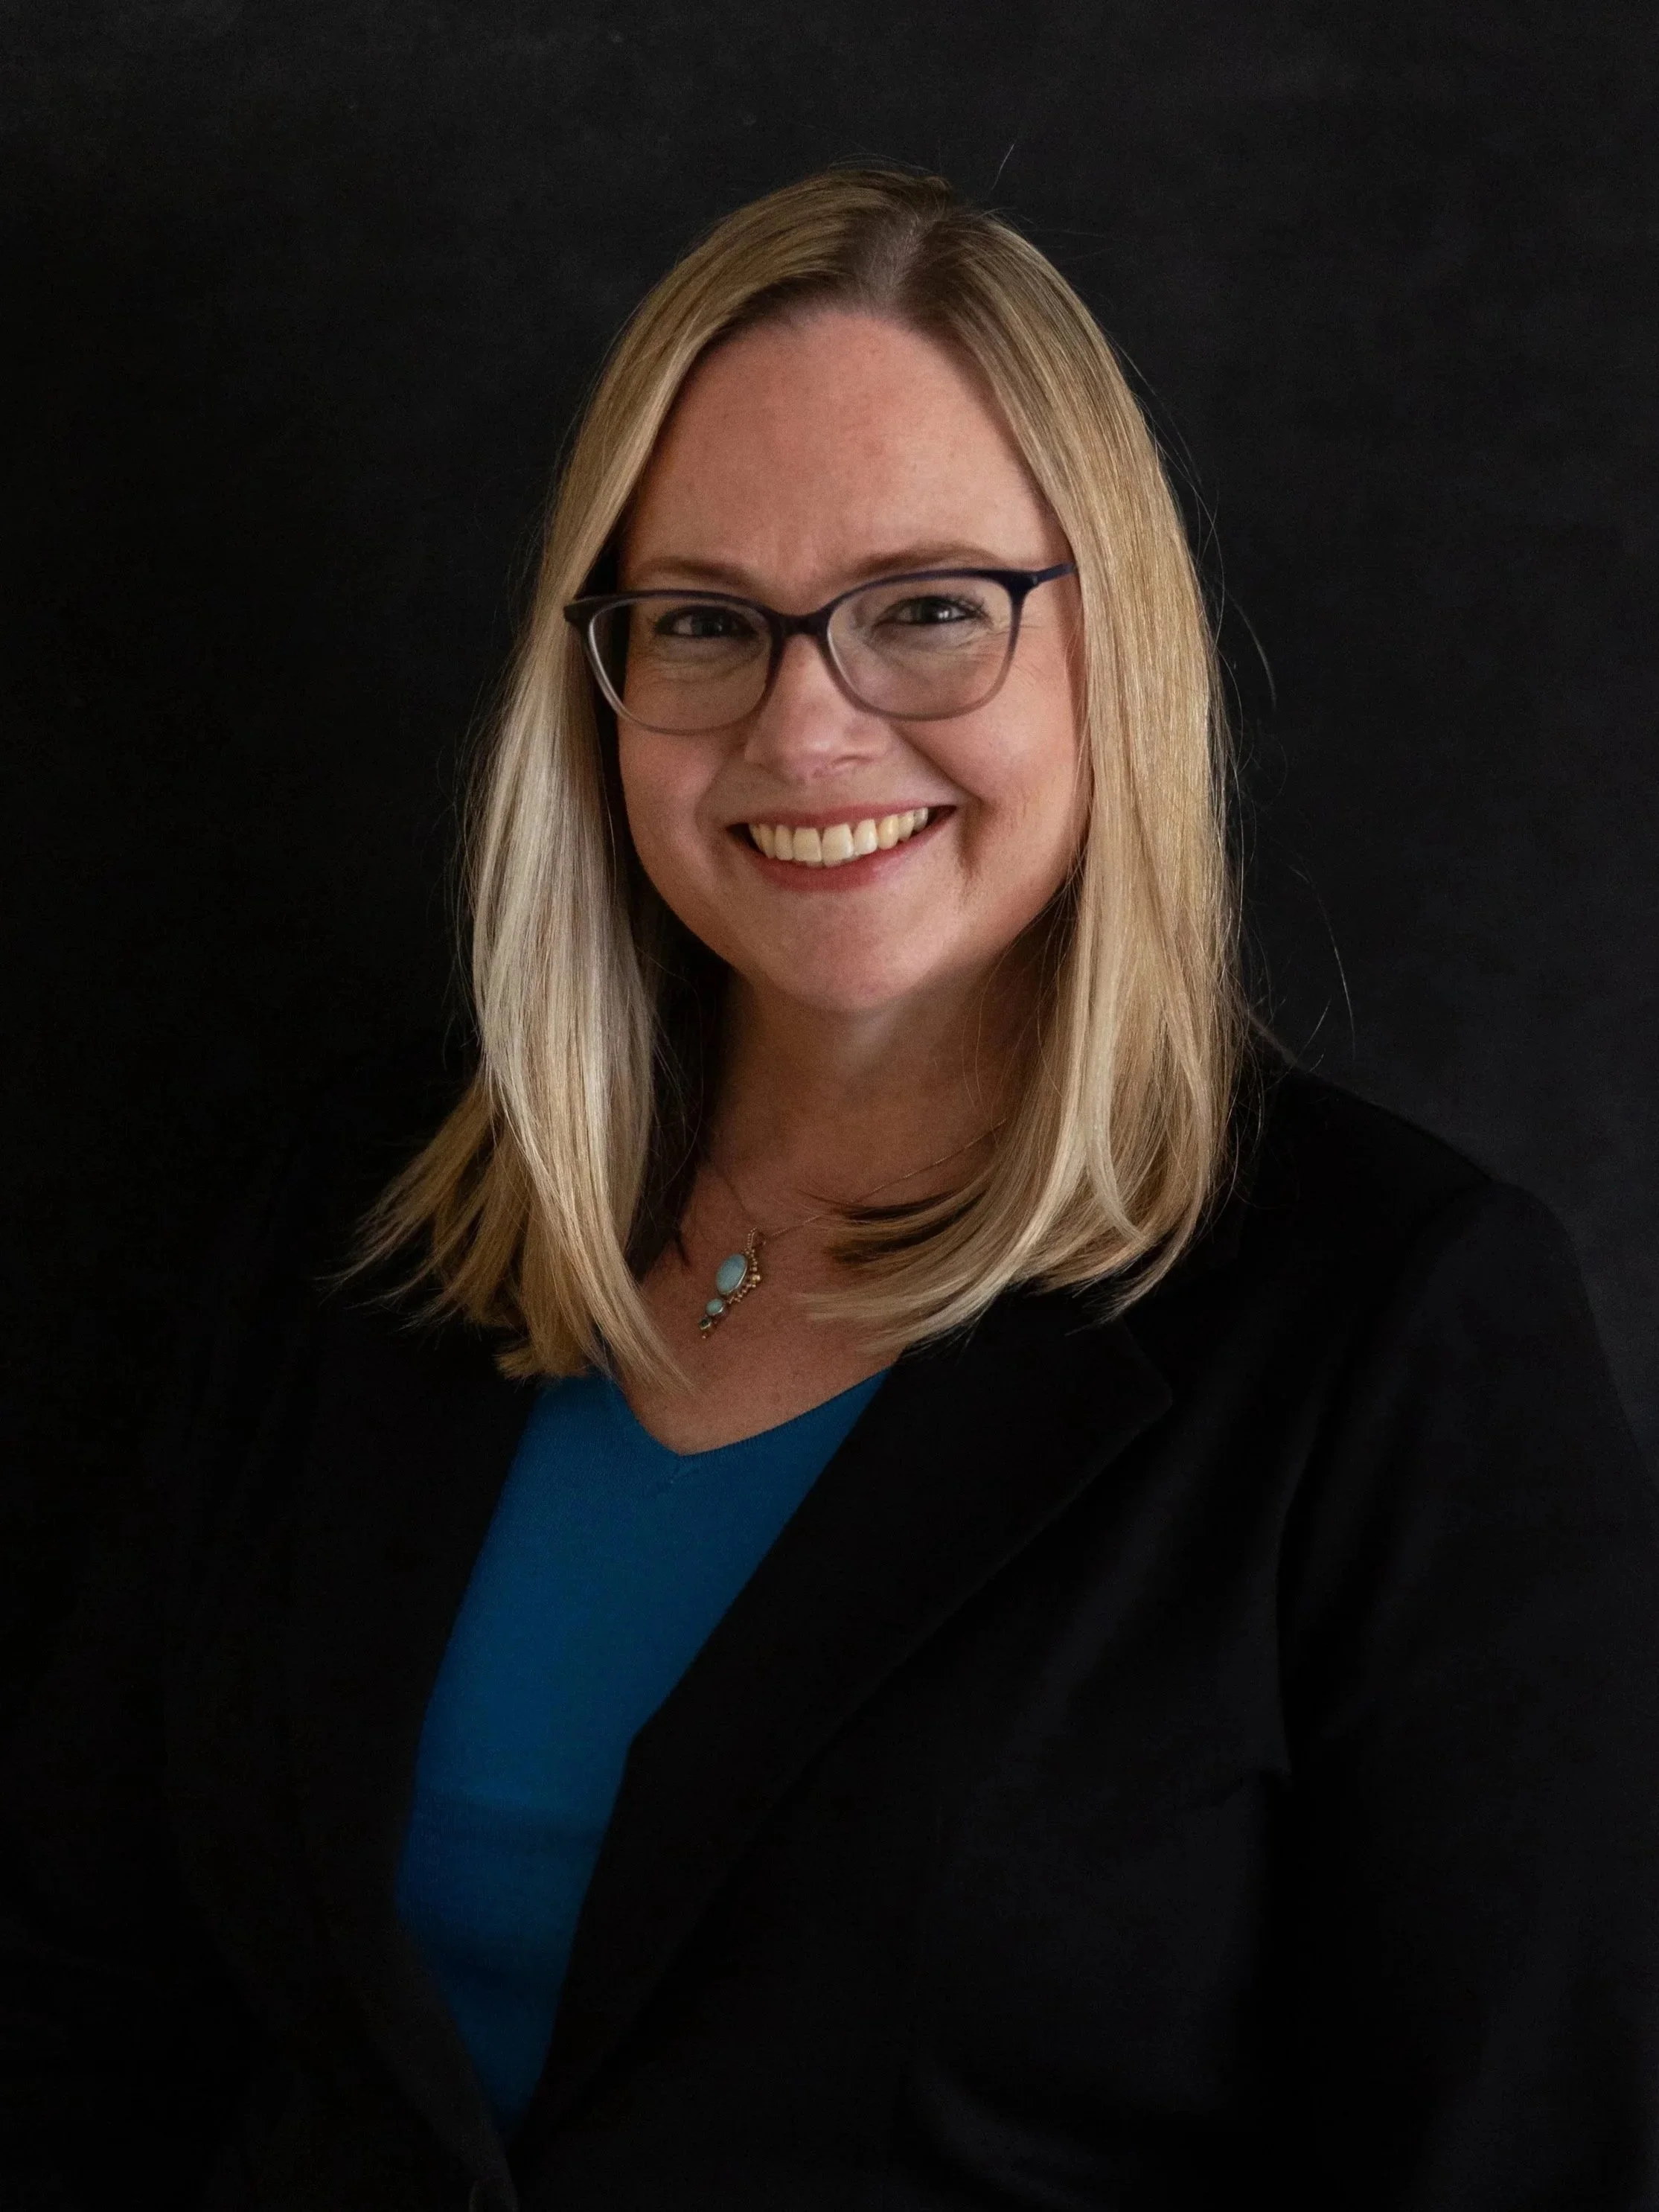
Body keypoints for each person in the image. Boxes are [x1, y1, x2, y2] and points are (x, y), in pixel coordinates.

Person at [1, 165, 1656, 2212]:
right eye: (700, 620)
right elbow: (80, 2003)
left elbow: (1516, 2156)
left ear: (1107, 643)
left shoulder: (1391, 1328)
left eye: (928, 609)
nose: (804, 719)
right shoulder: (366, 1221)